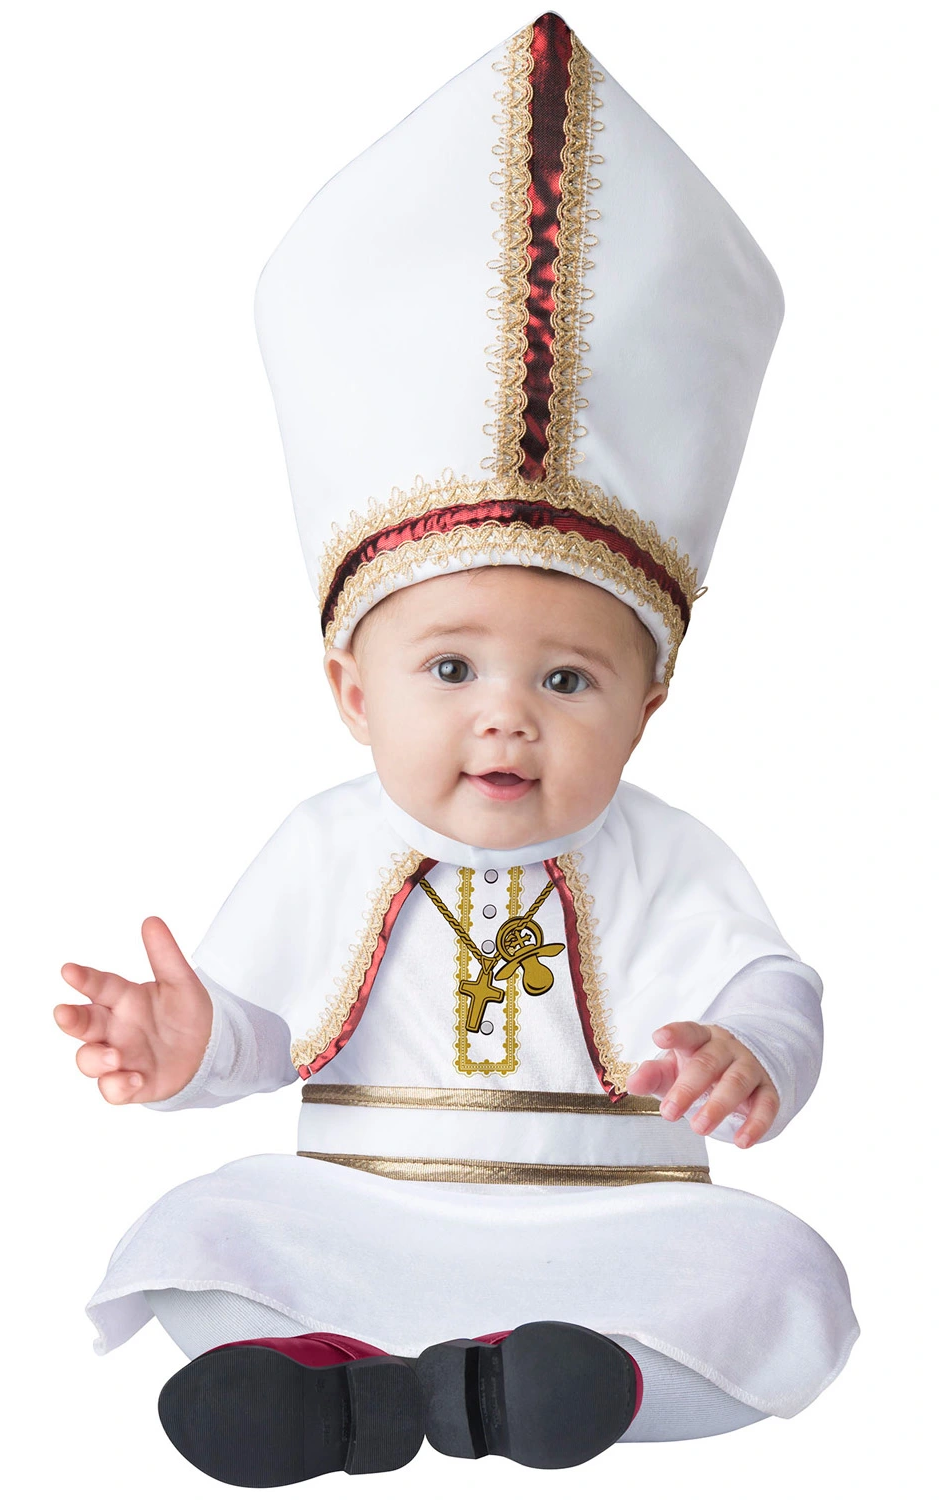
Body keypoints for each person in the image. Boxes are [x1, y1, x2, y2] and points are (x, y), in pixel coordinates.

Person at [54, 10, 859, 1486]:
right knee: (206, 1229)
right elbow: (264, 1031)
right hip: (364, 1206)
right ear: (350, 691)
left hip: (618, 1221)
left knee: (778, 1278)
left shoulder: (666, 854)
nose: (507, 714)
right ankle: (436, 1387)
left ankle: (438, 1386)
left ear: (649, 705)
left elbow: (772, 982)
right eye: (448, 667)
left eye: (568, 676)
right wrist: (188, 1050)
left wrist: (753, 1051)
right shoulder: (325, 842)